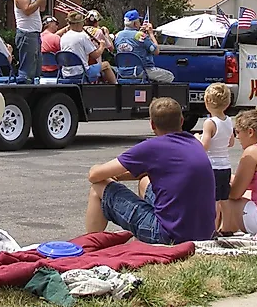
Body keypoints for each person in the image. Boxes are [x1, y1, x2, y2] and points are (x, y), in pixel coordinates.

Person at [85, 97, 216, 244]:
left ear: (152, 124)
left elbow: (95, 175)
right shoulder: (194, 143)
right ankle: (142, 238)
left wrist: (96, 169)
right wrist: (119, 176)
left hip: (169, 236)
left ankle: (90, 245)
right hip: (204, 233)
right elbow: (153, 171)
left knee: (98, 187)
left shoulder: (152, 147)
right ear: (181, 120)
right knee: (144, 182)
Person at [198, 83, 234, 223]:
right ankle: (227, 226)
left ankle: (212, 227)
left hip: (212, 166)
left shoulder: (210, 122)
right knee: (224, 198)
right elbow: (231, 142)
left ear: (207, 102)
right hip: (226, 165)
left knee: (212, 200)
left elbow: (204, 146)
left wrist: (197, 139)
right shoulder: (229, 121)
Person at [114, 9, 175, 83]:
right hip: (141, 71)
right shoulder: (141, 36)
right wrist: (151, 34)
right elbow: (156, 51)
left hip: (122, 72)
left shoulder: (117, 36)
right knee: (169, 76)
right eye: (139, 21)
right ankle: (156, 94)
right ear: (135, 24)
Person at [13, 0, 49, 83]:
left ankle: (33, 86)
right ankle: (24, 87)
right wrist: (39, 0)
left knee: (36, 66)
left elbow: (41, 8)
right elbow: (27, 10)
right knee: (27, 68)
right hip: (26, 34)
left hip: (35, 33)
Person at [60, 12, 117, 84]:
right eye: (82, 23)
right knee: (106, 65)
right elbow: (95, 55)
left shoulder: (63, 37)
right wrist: (102, 46)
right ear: (78, 24)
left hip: (66, 73)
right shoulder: (82, 36)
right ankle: (116, 88)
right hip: (82, 72)